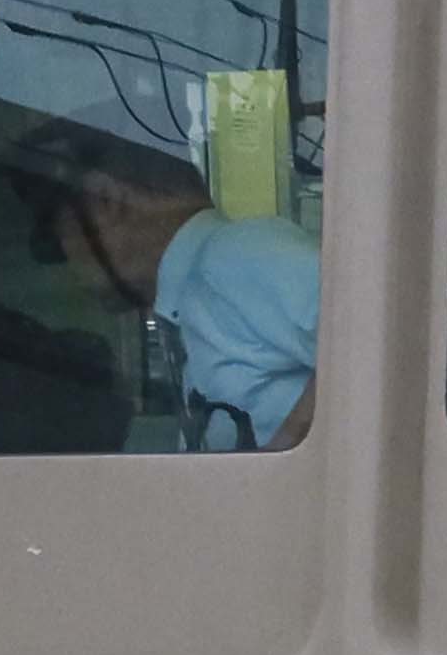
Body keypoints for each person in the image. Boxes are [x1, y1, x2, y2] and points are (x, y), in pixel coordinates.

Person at [29, 120, 318, 448]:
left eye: (60, 240)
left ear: (108, 199)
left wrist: (281, 455)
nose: (69, 268)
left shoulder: (235, 256)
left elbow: (363, 337)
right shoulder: (195, 295)